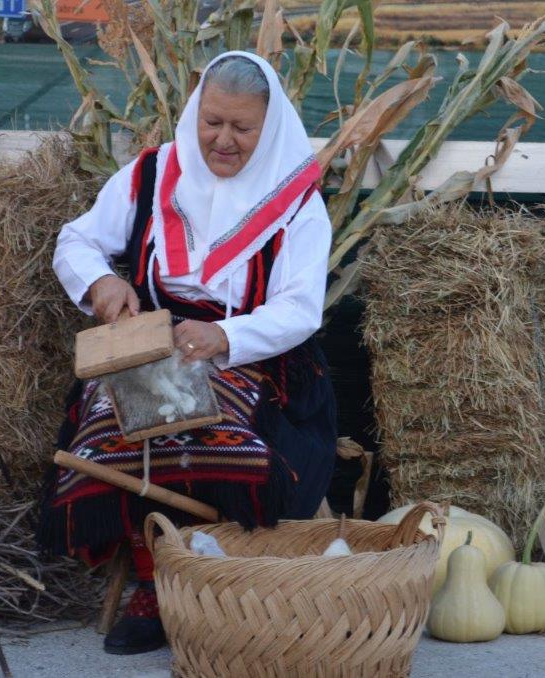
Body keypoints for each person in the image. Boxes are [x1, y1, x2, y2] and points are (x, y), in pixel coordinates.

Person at [38, 51, 337, 655]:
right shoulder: (153, 174)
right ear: (196, 113)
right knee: (114, 426)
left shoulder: (296, 201)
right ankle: (156, 578)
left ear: (269, 127)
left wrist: (225, 337)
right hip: (153, 344)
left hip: (251, 355)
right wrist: (102, 282)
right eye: (212, 122)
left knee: (217, 435)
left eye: (242, 128)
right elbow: (77, 240)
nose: (223, 140)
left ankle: (213, 571)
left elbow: (300, 309)